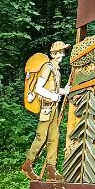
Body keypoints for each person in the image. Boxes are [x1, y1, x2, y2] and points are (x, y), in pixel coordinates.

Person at [23, 40, 70, 181]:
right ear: (54, 54)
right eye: (60, 52)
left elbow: (54, 89)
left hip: (54, 107)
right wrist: (54, 96)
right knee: (41, 136)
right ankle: (28, 165)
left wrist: (63, 91)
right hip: (46, 108)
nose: (62, 55)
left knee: (54, 138)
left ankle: (51, 169)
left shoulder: (56, 71)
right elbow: (38, 88)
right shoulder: (47, 68)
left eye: (63, 52)